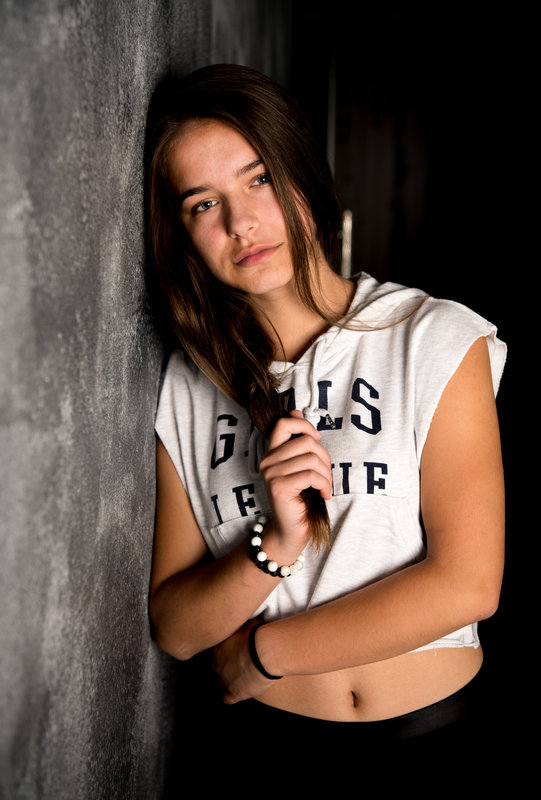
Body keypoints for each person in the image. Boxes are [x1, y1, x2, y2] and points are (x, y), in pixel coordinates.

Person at [146, 64, 506, 773]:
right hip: (269, 748)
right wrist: (275, 545)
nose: (240, 223)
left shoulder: (431, 337)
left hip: (437, 731)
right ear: (182, 234)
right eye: (202, 203)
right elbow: (177, 628)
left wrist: (263, 652)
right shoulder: (190, 384)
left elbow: (467, 583)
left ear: (301, 175)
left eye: (258, 179)